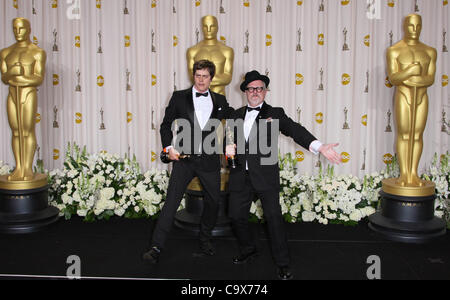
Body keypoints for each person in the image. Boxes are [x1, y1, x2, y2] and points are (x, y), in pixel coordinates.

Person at [225, 70, 341, 280]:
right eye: (251, 88)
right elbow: (229, 141)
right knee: (235, 215)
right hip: (240, 175)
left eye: (259, 88)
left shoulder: (275, 113)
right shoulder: (235, 115)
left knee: (273, 219)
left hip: (265, 176)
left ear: (265, 91)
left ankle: (283, 262)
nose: (255, 92)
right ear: (245, 92)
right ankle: (248, 249)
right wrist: (228, 150)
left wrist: (320, 146)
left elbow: (295, 130)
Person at [143, 60, 234, 263]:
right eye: (198, 75)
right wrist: (168, 148)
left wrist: (261, 117)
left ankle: (205, 239)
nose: (201, 80)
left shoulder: (220, 100)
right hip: (184, 160)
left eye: (205, 76)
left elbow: (235, 118)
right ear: (194, 76)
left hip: (210, 160)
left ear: (212, 78)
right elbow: (165, 125)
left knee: (213, 202)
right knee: (171, 203)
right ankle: (156, 247)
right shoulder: (179, 97)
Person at [386, 14, 437, 187]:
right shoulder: (395, 50)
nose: (414, 30)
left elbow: (430, 78)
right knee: (404, 134)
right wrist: (410, 71)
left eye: (418, 26)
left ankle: (413, 173)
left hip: (421, 96)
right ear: (404, 26)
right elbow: (393, 78)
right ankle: (404, 174)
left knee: (417, 135)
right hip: (404, 96)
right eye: (411, 26)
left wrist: (411, 79)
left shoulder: (429, 51)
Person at [0, 18, 46, 182]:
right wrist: (13, 71)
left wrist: (21, 76)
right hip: (12, 94)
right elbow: (4, 78)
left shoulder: (37, 52)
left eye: (21, 29)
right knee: (16, 131)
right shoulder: (6, 52)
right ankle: (19, 167)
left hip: (27, 93)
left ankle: (27, 168)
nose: (17, 32)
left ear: (29, 29)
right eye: (14, 29)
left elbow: (39, 78)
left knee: (27, 130)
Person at [187, 15, 234, 96]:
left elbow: (228, 78)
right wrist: (214, 78)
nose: (208, 30)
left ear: (217, 28)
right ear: (202, 28)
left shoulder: (227, 51)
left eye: (212, 26)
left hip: (220, 97)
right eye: (205, 26)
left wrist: (203, 78)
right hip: (198, 98)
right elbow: (192, 77)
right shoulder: (193, 51)